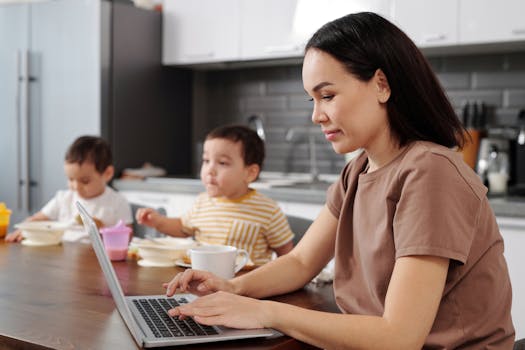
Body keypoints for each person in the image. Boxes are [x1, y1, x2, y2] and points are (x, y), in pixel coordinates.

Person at [161, 12, 515, 349]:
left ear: (381, 84)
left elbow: (399, 337)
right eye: (312, 99)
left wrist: (264, 312)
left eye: (327, 95)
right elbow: (301, 263)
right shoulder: (358, 169)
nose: (316, 115)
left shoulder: (431, 172)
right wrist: (233, 287)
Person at [136, 125, 294, 265]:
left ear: (250, 173)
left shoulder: (268, 210)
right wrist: (158, 221)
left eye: (222, 163)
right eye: (206, 160)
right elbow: (183, 228)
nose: (209, 170)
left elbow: (288, 256)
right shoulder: (202, 202)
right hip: (202, 281)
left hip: (247, 287)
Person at [5, 135, 133, 242]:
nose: (76, 187)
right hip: (63, 253)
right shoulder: (64, 198)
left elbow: (127, 239)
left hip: (96, 261)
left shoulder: (118, 202)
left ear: (107, 173)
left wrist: (102, 229)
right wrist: (25, 227)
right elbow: (38, 218)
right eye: (71, 179)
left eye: (85, 181)